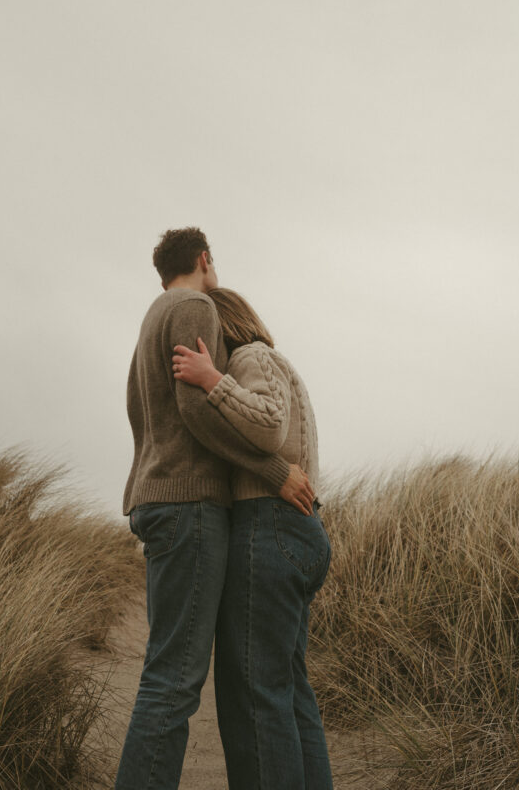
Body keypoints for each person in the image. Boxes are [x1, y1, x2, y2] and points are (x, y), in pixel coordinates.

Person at [115, 228, 315, 790]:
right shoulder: (196, 305)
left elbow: (142, 411)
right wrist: (275, 473)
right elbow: (199, 410)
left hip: (154, 501)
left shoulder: (151, 318)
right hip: (190, 505)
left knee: (164, 674)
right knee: (175, 681)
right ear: (204, 259)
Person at [172, 286, 334, 790]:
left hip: (269, 529)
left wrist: (211, 379)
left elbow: (266, 426)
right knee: (288, 692)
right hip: (294, 532)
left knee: (255, 697)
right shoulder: (279, 364)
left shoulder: (251, 356)